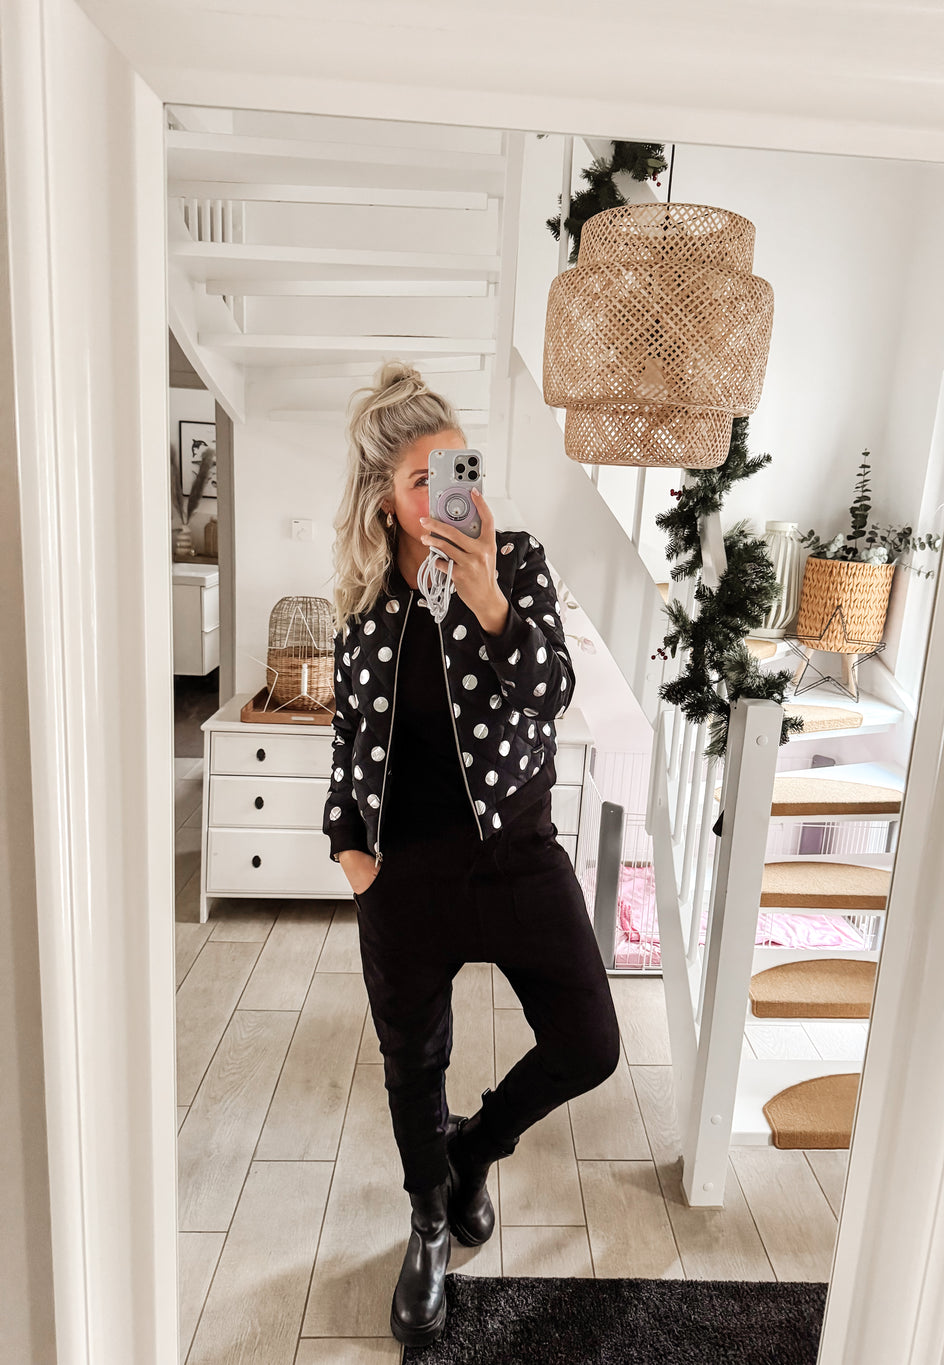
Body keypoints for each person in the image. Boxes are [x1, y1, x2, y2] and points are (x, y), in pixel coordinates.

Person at [322, 361, 620, 1348]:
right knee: (412, 1059)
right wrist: (349, 852)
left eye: (457, 467)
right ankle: (425, 1222)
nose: (450, 491)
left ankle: (475, 1151)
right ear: (385, 499)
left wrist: (490, 599)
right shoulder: (364, 600)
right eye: (422, 478)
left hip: (516, 851)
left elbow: (549, 691)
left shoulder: (516, 561)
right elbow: (348, 736)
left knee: (589, 1040)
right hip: (402, 870)